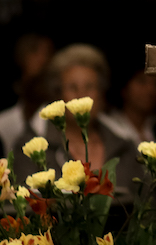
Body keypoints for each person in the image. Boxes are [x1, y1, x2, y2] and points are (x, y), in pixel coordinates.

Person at [11, 44, 147, 205]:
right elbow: (24, 208)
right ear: (58, 95)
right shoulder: (32, 147)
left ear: (102, 94)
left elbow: (148, 206)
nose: (81, 94)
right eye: (72, 87)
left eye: (90, 86)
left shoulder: (124, 144)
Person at [0, 33, 53, 154]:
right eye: (34, 51)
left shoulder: (62, 119)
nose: (43, 59)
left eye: (48, 53)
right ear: (20, 57)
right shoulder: (3, 122)